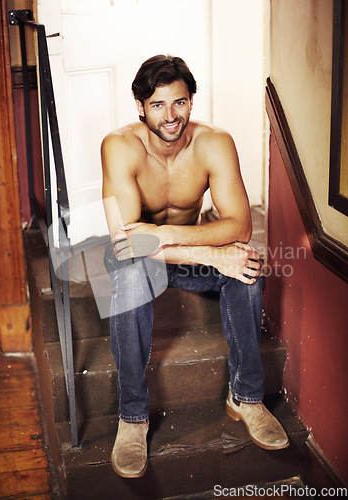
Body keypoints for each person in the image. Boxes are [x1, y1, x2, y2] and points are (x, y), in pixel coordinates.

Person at [101, 55, 288, 479]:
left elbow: (239, 223)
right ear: (139, 105)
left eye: (180, 103)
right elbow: (128, 242)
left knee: (245, 261)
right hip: (138, 259)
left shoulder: (214, 142)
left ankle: (247, 397)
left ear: (191, 100)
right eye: (158, 105)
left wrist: (176, 238)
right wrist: (208, 252)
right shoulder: (119, 145)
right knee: (130, 277)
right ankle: (132, 417)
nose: (171, 117)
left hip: (177, 250)